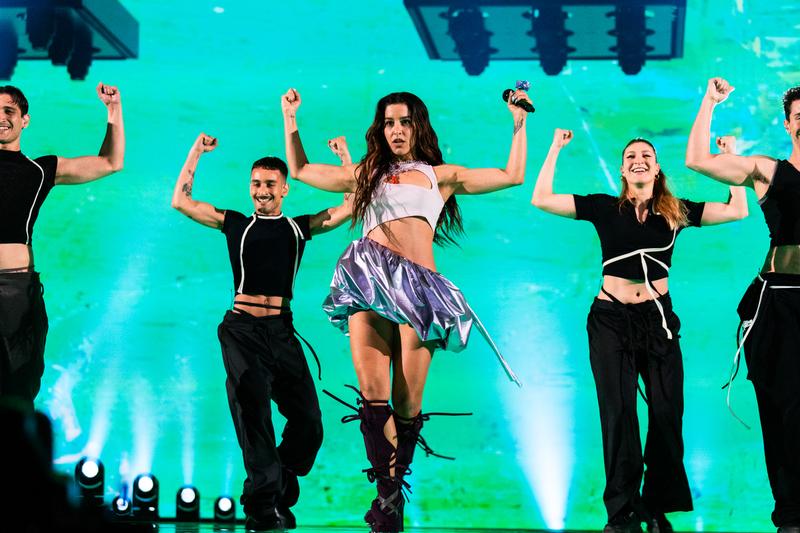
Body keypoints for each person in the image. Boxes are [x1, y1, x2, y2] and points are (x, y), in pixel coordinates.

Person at [280, 86, 528, 532]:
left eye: (405, 122)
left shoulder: (441, 176)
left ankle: (392, 490)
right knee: (372, 396)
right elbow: (297, 170)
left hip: (420, 290)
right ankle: (389, 498)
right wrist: (291, 117)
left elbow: (512, 175)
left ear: (418, 127)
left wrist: (518, 123)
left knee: (407, 402)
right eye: (389, 122)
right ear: (381, 129)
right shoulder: (365, 174)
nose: (396, 130)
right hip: (368, 278)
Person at [531, 128, 748, 533]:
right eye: (631, 155)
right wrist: (554, 148)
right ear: (623, 169)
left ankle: (655, 504)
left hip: (658, 320)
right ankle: (622, 512)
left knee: (667, 411)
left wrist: (731, 159)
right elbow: (541, 198)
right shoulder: (602, 207)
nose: (639, 159)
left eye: (646, 154)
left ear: (656, 166)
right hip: (610, 320)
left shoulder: (675, 211)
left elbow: (738, 210)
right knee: (619, 414)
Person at [171, 133, 351, 531]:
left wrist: (344, 158)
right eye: (256, 183)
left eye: (270, 184)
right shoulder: (236, 224)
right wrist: (195, 152)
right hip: (242, 331)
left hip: (281, 331)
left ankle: (279, 483)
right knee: (253, 412)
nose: (262, 190)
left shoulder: (298, 228)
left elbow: (351, 206)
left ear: (285, 188)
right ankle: (261, 506)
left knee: (308, 422)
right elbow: (181, 201)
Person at [686, 77, 800, 533]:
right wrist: (709, 101)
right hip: (784, 304)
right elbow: (697, 160)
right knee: (787, 410)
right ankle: (792, 516)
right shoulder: (771, 171)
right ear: (790, 125)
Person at [0, 83, 125, 408]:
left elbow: (111, 162)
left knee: (19, 387)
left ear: (24, 119)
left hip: (18, 291)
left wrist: (113, 109)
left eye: (8, 111)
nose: (1, 118)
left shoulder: (40, 170)